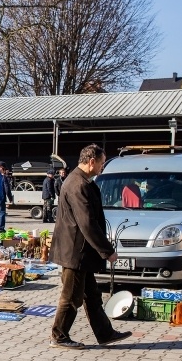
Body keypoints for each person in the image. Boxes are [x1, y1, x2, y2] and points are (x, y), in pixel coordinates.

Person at [50, 144, 133, 350]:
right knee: (71, 297)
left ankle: (105, 333)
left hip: (82, 253)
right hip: (75, 252)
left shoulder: (81, 181)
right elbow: (87, 223)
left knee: (92, 296)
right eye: (102, 163)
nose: (102, 167)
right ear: (91, 161)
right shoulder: (78, 184)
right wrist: (107, 251)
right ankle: (59, 336)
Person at [0, 167, 14, 232]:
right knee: (2, 213)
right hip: (1, 197)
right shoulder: (3, 177)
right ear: (3, 170)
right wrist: (10, 198)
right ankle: (1, 228)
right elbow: (7, 189)